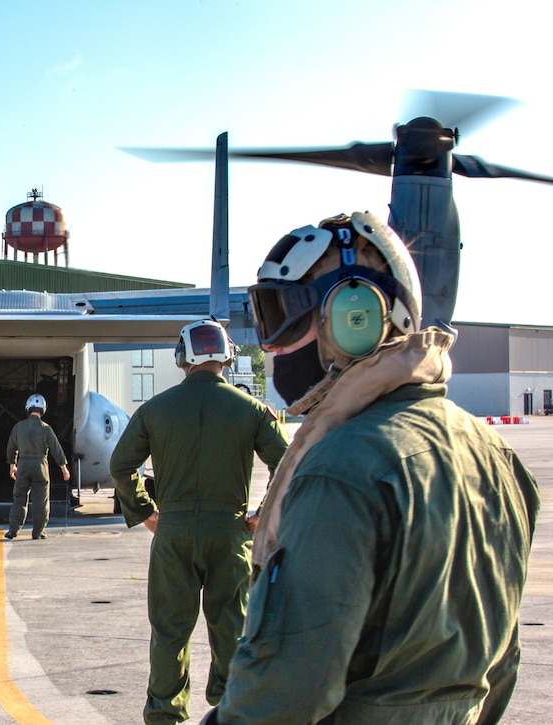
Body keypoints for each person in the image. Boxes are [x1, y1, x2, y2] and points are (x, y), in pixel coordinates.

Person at [202, 212, 541, 724]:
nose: (271, 346)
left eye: (285, 317)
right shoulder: (496, 456)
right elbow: (501, 665)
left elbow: (285, 690)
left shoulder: (342, 467)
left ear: (354, 316)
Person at [110, 319, 289, 724]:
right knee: (232, 627)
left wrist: (146, 512)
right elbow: (289, 463)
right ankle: (231, 707)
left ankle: (165, 714)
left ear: (183, 357)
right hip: (231, 533)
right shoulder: (253, 411)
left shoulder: (155, 409)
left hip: (172, 532)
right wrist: (262, 514)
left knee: (170, 630)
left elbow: (122, 465)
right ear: (228, 355)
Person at [5, 393, 71, 540]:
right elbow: (56, 449)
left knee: (19, 498)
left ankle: (13, 530)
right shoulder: (46, 428)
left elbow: (11, 448)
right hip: (40, 466)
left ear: (28, 408)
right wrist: (64, 468)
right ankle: (38, 532)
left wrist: (12, 465)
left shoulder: (18, 427)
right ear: (43, 409)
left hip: (22, 466)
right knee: (41, 501)